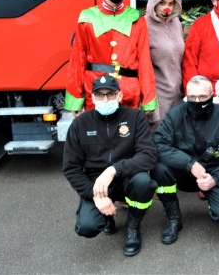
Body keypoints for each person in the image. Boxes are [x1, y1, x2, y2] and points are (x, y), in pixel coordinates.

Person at [63, 75, 157, 256]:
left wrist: (114, 169)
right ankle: (106, 217)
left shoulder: (135, 117)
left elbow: (148, 155)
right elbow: (71, 168)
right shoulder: (80, 124)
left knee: (144, 183)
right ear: (92, 97)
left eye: (110, 94)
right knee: (87, 227)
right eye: (99, 95)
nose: (105, 100)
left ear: (120, 96)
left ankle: (133, 226)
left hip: (128, 176)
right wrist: (95, 195)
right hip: (97, 184)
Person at [65, 0, 157, 117]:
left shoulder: (136, 18)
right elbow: (77, 60)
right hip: (96, 91)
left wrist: (148, 100)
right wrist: (75, 99)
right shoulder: (88, 17)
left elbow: (144, 61)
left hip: (128, 93)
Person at [152, 75, 219, 245]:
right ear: (186, 95)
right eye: (192, 97)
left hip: (212, 175)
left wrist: (216, 179)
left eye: (202, 97)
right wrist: (189, 164)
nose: (197, 101)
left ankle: (217, 201)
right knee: (158, 168)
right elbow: (158, 144)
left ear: (212, 95)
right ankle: (173, 217)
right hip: (183, 173)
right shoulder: (175, 114)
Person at [144, 0, 185, 131]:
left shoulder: (176, 23)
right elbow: (143, 66)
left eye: (171, 3)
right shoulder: (144, 25)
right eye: (162, 3)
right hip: (159, 97)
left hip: (178, 96)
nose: (167, 8)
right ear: (154, 2)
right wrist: (149, 101)